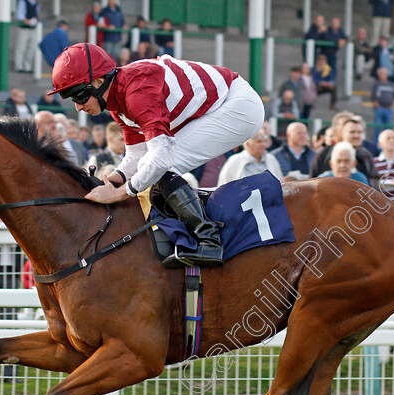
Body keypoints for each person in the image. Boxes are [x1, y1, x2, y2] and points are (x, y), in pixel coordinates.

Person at [50, 42, 264, 266]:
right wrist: (116, 179)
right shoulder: (117, 102)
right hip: (223, 101)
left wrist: (122, 193)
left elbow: (159, 160)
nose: (77, 107)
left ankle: (209, 241)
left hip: (238, 106)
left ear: (97, 82)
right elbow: (136, 153)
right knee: (150, 167)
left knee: (161, 166)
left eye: (78, 96)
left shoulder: (136, 93)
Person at [216, 131, 283, 186]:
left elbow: (280, 184)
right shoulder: (235, 160)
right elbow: (224, 186)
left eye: (265, 141)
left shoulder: (271, 159)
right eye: (259, 141)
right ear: (247, 144)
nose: (264, 145)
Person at [15, 0, 40, 73]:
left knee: (31, 47)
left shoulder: (35, 3)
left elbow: (36, 13)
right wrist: (27, 21)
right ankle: (19, 65)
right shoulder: (23, 2)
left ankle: (27, 65)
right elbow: (20, 15)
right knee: (21, 47)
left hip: (33, 28)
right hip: (24, 28)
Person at [371, 67, 394, 139]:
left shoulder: (390, 84)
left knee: (388, 128)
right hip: (380, 108)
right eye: (382, 73)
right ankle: (377, 142)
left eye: (385, 73)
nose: (384, 75)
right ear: (379, 75)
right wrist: (378, 106)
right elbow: (373, 96)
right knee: (377, 127)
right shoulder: (376, 84)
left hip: (389, 109)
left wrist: (391, 106)